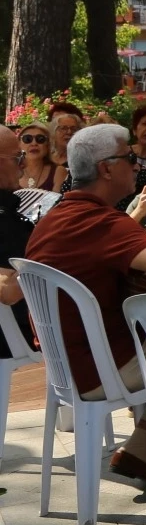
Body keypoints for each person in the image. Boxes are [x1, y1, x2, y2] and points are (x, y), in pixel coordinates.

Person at [24, 124, 146, 481]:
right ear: (106, 168)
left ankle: (144, 445)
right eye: (130, 157)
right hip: (103, 369)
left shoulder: (50, 221)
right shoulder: (103, 222)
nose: (136, 165)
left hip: (65, 368)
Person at [0, 128, 39, 361]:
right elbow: (7, 290)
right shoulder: (5, 219)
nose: (23, 164)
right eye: (18, 158)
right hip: (17, 345)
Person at [16, 122, 63, 193]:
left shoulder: (58, 172)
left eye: (40, 139)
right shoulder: (10, 171)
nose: (34, 143)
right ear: (19, 144)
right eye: (27, 139)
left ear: (47, 145)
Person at [48, 111, 83, 190]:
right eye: (64, 128)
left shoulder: (81, 160)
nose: (69, 132)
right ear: (54, 132)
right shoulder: (46, 157)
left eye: (74, 129)